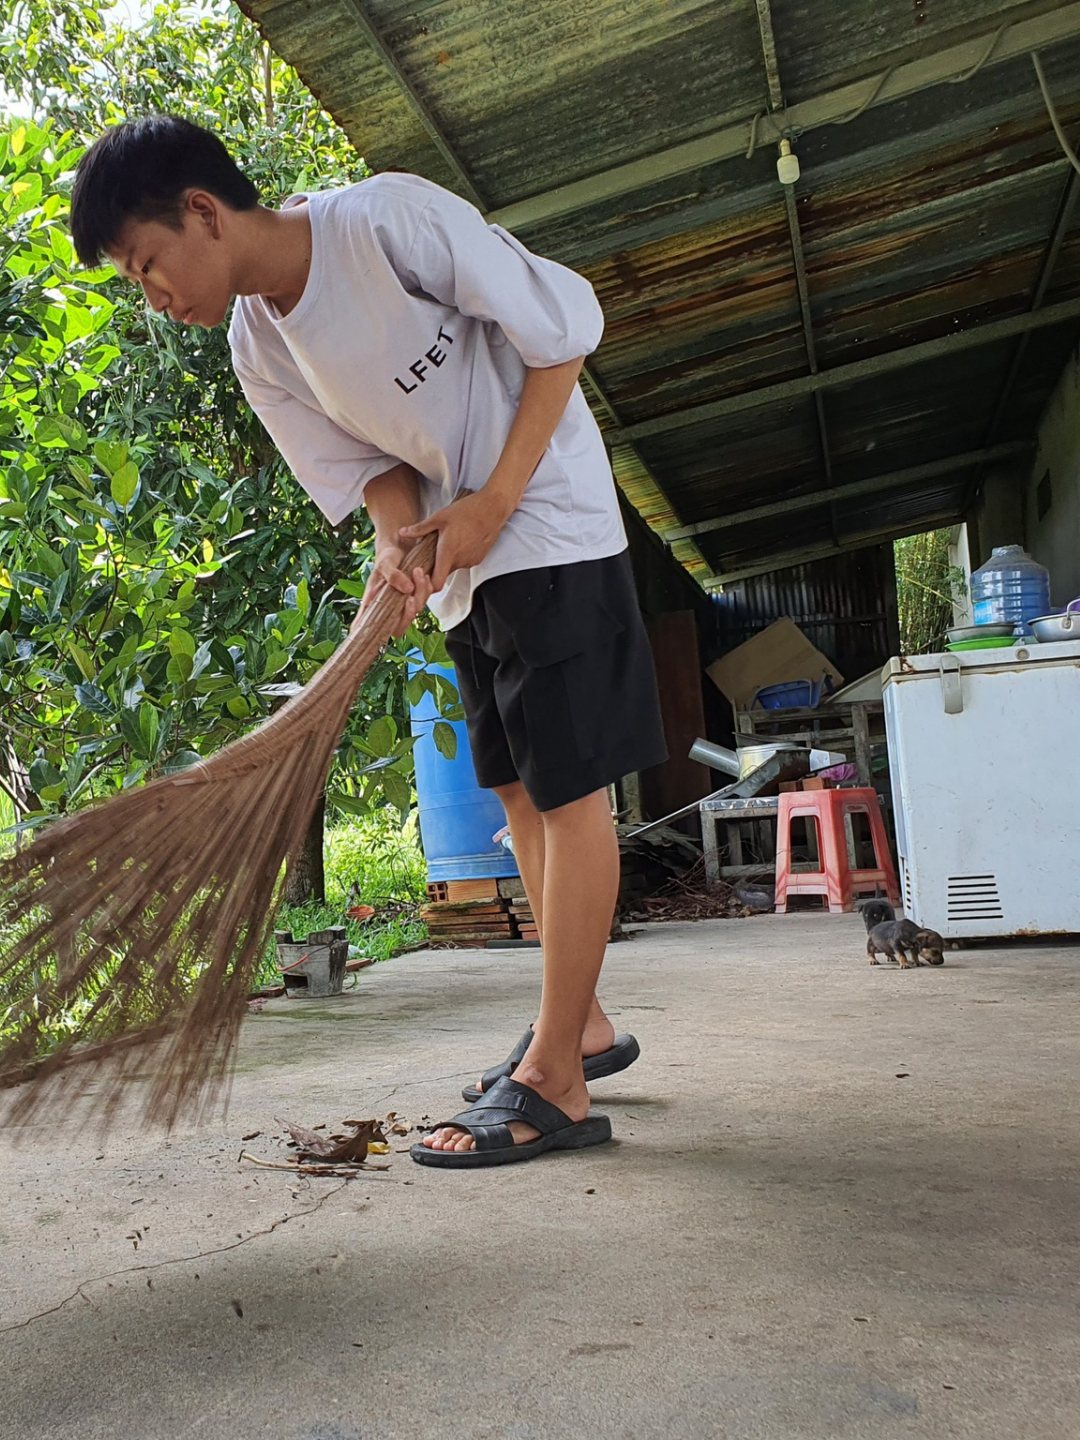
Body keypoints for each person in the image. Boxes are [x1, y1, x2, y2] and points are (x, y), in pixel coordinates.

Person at [68, 115, 664, 1168]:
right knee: (519, 790)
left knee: (569, 794)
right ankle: (582, 1023)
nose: (154, 298)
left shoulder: (384, 222)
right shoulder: (259, 346)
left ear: (203, 211)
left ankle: (558, 1081)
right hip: (465, 559)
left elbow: (564, 329)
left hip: (550, 518)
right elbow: (366, 467)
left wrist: (494, 501)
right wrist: (406, 542)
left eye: (148, 265)